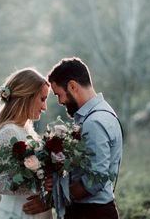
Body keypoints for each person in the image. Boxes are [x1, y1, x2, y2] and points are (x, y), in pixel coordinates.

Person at [23, 57, 123, 219]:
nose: (60, 101)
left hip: (90, 213)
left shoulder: (94, 122)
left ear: (72, 86)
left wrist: (51, 199)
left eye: (59, 95)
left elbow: (94, 180)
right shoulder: (102, 113)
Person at [0, 68, 54, 219]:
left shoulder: (26, 130)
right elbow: (0, 184)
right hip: (16, 213)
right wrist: (39, 182)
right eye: (42, 99)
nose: (45, 107)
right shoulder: (8, 133)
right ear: (27, 97)